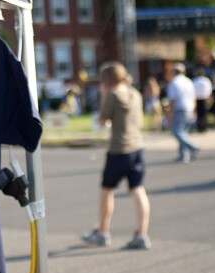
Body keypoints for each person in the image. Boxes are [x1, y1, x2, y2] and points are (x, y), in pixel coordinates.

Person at [81, 61, 151, 250]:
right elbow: (141, 123)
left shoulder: (112, 96)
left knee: (107, 191)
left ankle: (103, 232)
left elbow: (102, 121)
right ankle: (142, 234)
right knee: (138, 189)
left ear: (107, 80)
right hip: (137, 148)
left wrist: (104, 96)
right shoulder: (135, 94)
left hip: (118, 150)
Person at [165, 62, 199, 162]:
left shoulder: (174, 82)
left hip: (180, 109)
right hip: (190, 109)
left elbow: (172, 100)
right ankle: (184, 155)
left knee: (177, 132)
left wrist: (169, 111)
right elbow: (194, 98)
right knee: (184, 132)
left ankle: (192, 146)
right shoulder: (189, 81)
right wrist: (193, 110)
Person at [192, 66, 213, 133]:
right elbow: (209, 90)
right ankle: (204, 127)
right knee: (204, 114)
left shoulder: (195, 81)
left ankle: (199, 128)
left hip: (197, 99)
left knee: (199, 114)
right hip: (204, 99)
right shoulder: (206, 80)